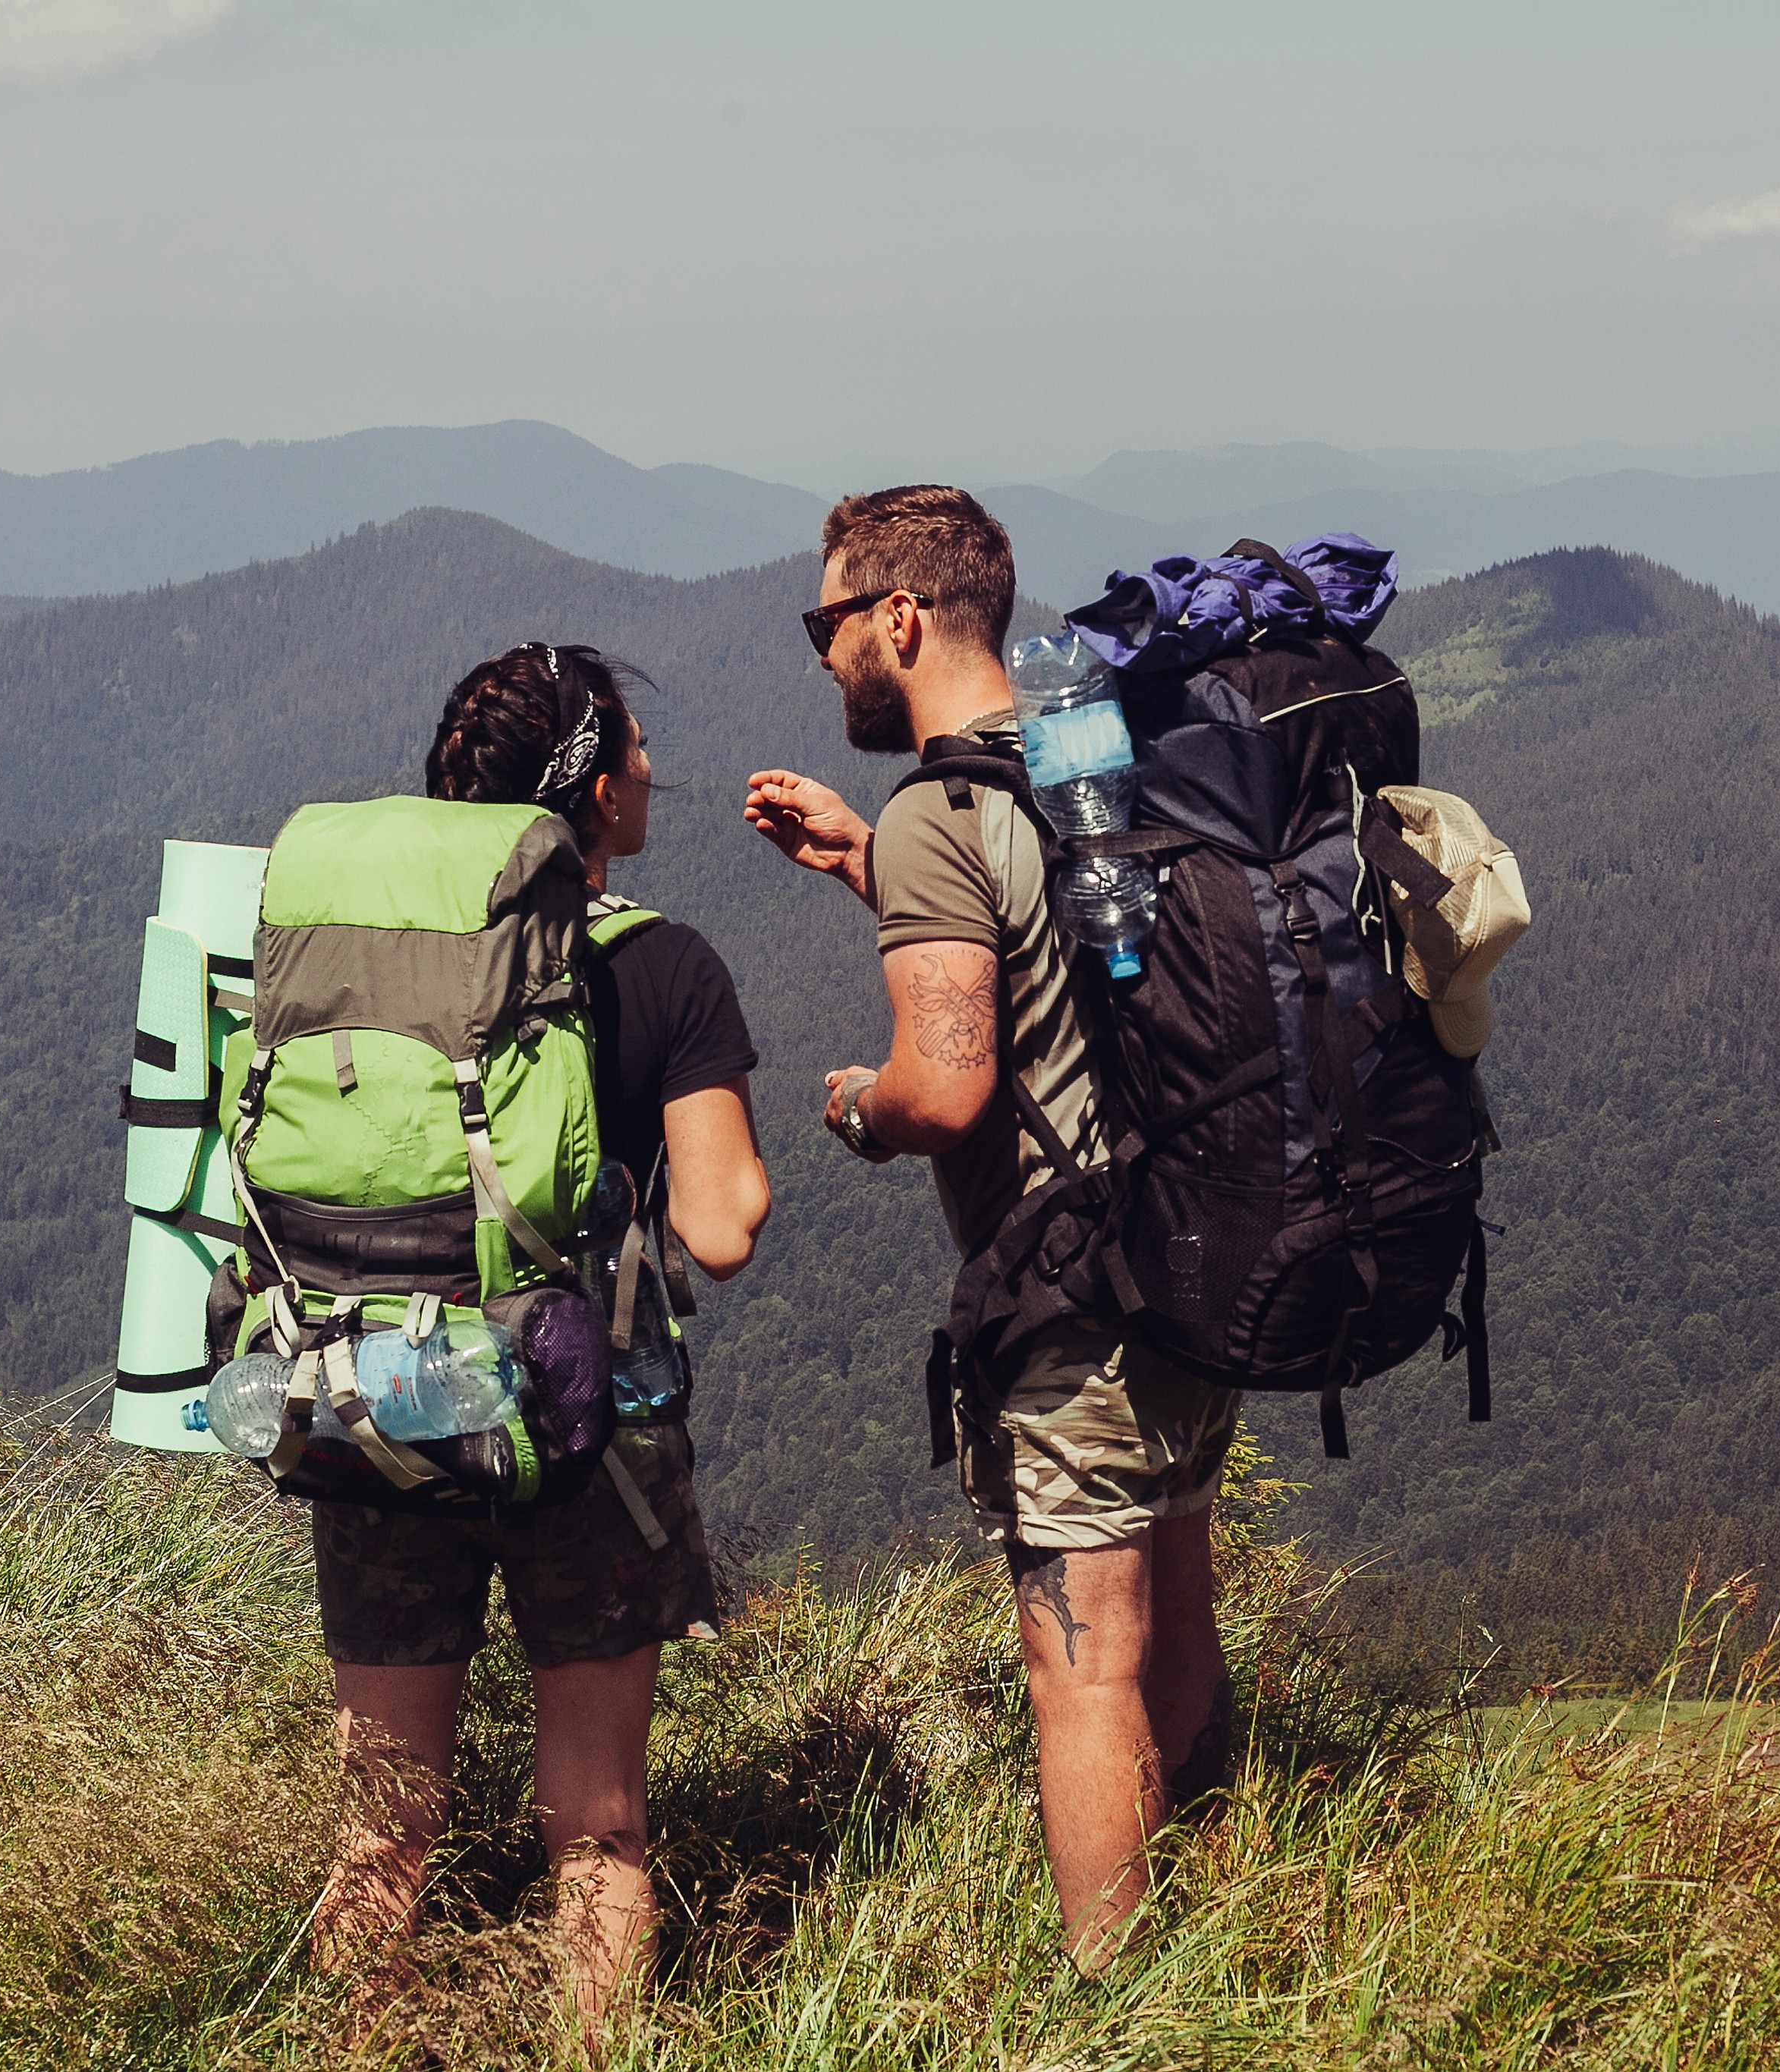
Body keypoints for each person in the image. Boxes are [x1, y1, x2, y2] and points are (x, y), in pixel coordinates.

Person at [743, 487, 1232, 1967]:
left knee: (1082, 1676)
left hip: (1066, 1297)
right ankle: (1221, 1930)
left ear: (898, 617)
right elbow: (1065, 964)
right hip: (1192, 1263)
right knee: (1181, 1614)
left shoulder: (938, 817)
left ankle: (1119, 2014)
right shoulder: (1086, 759)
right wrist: (859, 867)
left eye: (825, 622)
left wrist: (852, 1106)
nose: (822, 654)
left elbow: (947, 1090)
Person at [314, 642, 769, 2030]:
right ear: (593, 790)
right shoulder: (663, 966)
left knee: (382, 1828)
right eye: (633, 749)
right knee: (599, 1821)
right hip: (588, 1445)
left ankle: (346, 2050)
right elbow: (725, 1224)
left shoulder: (359, 964)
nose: (649, 773)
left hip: (379, 1409)